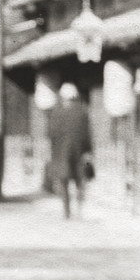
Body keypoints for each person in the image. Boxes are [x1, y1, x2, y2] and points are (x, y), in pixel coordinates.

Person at [47, 81, 93, 218]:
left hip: (61, 153)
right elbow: (87, 134)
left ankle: (66, 211)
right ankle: (79, 209)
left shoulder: (56, 113)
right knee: (80, 181)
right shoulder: (82, 111)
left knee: (64, 181)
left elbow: (51, 134)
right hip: (79, 152)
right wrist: (88, 151)